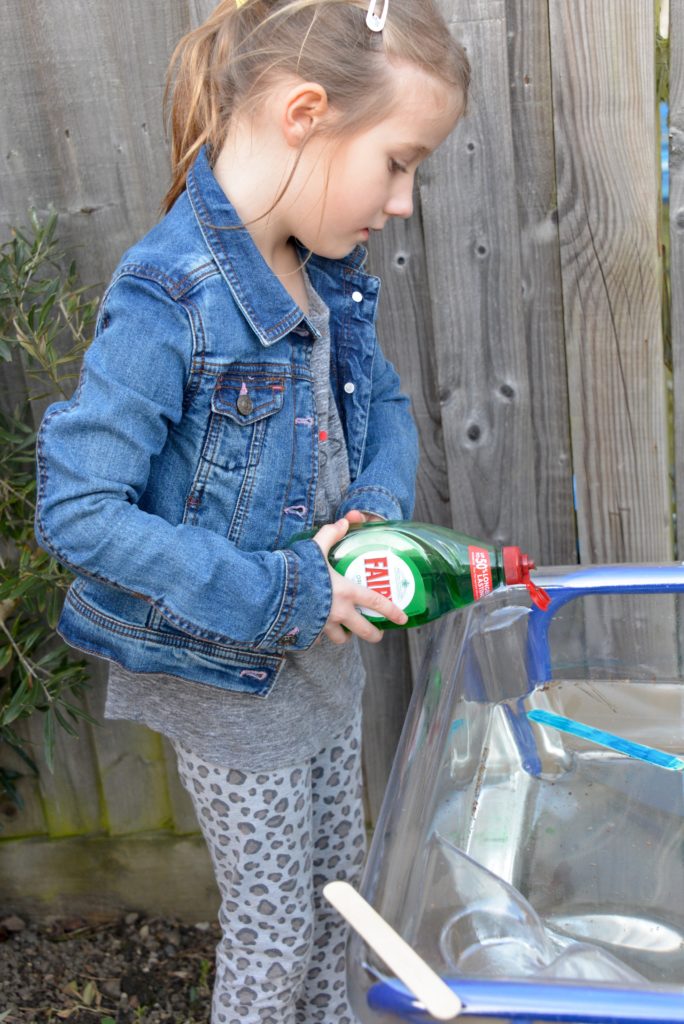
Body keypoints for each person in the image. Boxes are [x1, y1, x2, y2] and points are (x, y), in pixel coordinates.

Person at [35, 0, 470, 1020]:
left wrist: (374, 506)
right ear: (307, 114)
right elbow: (81, 510)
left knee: (339, 897)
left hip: (319, 659)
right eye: (399, 162)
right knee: (276, 928)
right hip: (231, 685)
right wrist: (284, 588)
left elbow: (388, 404)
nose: (403, 202)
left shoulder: (321, 269)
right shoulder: (168, 297)